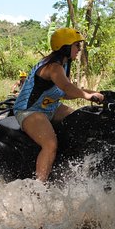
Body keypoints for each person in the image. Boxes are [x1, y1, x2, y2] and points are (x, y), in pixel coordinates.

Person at [13, 28, 104, 181]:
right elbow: (67, 88)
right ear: (65, 47)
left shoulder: (65, 64)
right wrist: (88, 96)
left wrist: (99, 93)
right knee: (50, 144)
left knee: (79, 120)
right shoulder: (53, 67)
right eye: (76, 46)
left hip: (50, 107)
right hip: (30, 111)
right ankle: (38, 188)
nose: (79, 50)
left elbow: (66, 92)